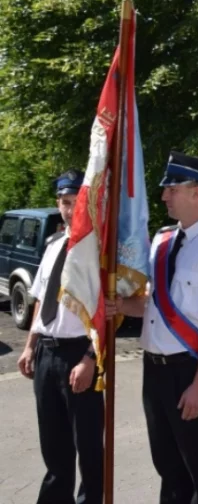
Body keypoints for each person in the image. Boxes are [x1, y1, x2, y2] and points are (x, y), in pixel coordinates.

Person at [110, 152, 198, 504]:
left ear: (197, 192)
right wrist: (123, 306)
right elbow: (154, 303)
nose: (164, 196)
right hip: (153, 369)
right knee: (167, 466)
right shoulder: (163, 240)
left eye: (171, 189)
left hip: (189, 371)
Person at [17, 170, 103, 504]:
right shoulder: (54, 244)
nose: (69, 210)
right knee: (54, 447)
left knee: (89, 447)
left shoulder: (97, 248)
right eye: (64, 203)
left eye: (75, 202)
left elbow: (106, 313)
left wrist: (89, 359)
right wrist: (29, 347)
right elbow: (41, 299)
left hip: (79, 355)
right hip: (47, 355)